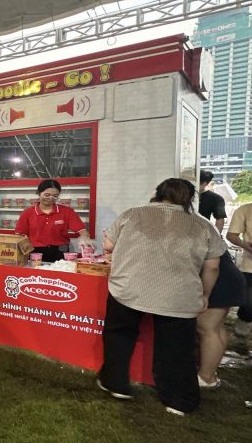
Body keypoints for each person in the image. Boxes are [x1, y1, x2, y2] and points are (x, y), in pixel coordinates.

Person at [98, 179, 227, 416]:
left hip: (128, 288)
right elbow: (212, 266)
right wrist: (205, 294)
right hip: (178, 294)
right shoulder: (202, 225)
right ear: (190, 199)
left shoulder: (133, 215)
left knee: (119, 336)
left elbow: (108, 245)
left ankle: (115, 383)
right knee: (177, 349)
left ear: (156, 194)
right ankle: (179, 401)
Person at [195, 171, 246, 388]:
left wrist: (206, 294)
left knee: (207, 328)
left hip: (220, 280)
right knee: (215, 328)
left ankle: (206, 377)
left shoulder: (195, 224)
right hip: (228, 278)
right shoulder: (197, 222)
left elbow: (212, 267)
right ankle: (210, 373)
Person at [13, 179, 93, 262]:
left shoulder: (67, 211)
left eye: (55, 196)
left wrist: (85, 240)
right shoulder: (28, 212)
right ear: (39, 193)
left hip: (61, 251)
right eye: (47, 195)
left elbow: (82, 231)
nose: (51, 198)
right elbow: (19, 235)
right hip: (35, 252)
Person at [227, 202, 252, 341]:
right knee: (248, 305)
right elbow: (231, 235)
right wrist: (245, 245)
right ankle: (243, 327)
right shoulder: (245, 210)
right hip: (250, 266)